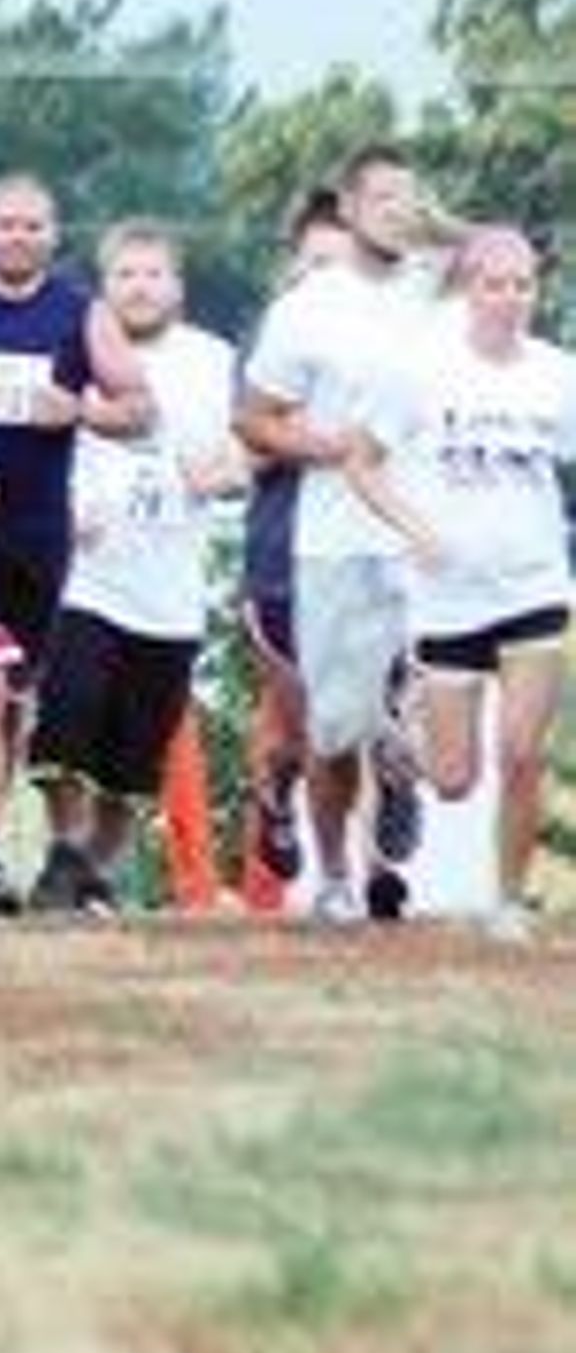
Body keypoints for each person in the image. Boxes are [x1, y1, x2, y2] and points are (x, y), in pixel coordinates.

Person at [0, 174, 149, 915]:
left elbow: (139, 407)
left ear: (54, 234)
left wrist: (79, 409)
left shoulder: (80, 313)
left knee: (11, 700)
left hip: (40, 532)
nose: (20, 237)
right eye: (7, 224)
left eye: (34, 226)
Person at [235, 144, 448, 923]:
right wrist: (333, 447)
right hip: (330, 540)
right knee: (329, 726)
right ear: (348, 210)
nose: (398, 210)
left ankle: (398, 761)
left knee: (413, 692)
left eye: (408, 197)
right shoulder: (305, 310)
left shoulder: (436, 292)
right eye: (380, 198)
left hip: (426, 536)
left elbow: (505, 255)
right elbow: (251, 421)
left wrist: (438, 225)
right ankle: (331, 879)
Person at [346, 226, 575, 941]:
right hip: (448, 594)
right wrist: (414, 529)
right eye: (493, 284)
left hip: (534, 584)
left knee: (522, 751)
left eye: (522, 285)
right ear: (468, 289)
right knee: (453, 779)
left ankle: (506, 901)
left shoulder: (556, 374)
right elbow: (361, 460)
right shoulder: (422, 371)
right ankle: (398, 754)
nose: (509, 299)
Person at [27, 222, 244, 914]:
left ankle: (95, 872)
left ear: (177, 286)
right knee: (68, 717)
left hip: (172, 579)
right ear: (104, 285)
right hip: (87, 574)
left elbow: (248, 442)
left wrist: (228, 471)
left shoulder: (213, 358)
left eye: (154, 274)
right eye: (125, 275)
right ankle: (64, 848)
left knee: (135, 750)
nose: (140, 287)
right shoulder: (75, 349)